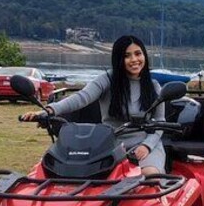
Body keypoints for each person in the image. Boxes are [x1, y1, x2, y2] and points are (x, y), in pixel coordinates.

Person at [22, 35, 166, 177]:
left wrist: (146, 146)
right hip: (110, 145)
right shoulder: (108, 79)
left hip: (145, 145)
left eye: (138, 53)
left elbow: (160, 122)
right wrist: (50, 110)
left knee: (149, 176)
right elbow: (82, 97)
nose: (134, 60)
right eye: (127, 56)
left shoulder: (153, 86)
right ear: (118, 59)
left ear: (144, 55)